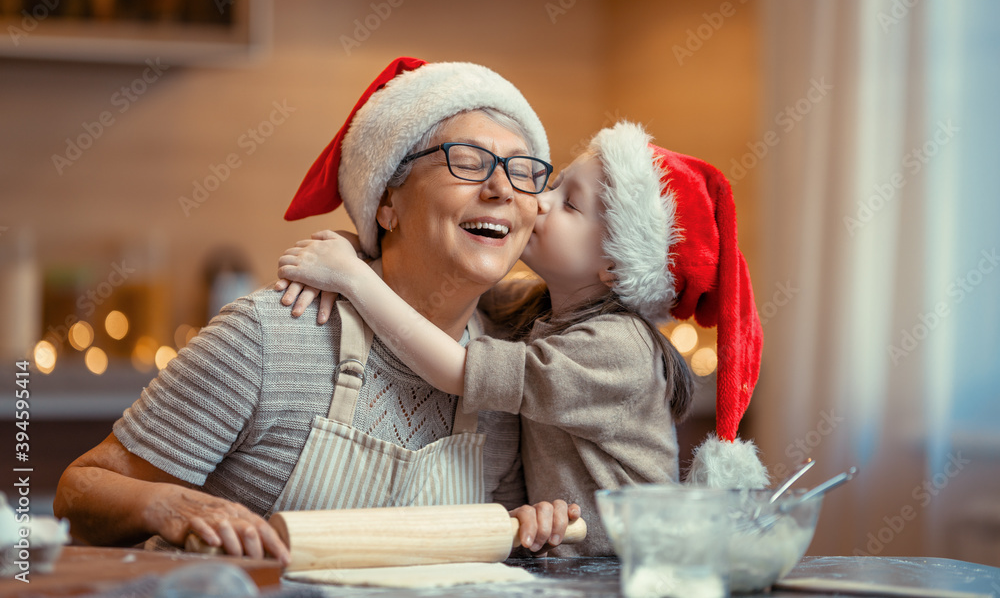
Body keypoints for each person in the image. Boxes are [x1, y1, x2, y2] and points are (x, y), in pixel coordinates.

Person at [54, 57, 579, 562]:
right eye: (467, 162)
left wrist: (530, 525)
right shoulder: (270, 338)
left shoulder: (506, 375)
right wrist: (167, 505)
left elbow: (490, 548)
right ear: (385, 203)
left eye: (524, 171)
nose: (501, 189)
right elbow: (81, 492)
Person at [275, 121, 770, 556]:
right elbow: (437, 286)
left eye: (569, 203)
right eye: (552, 186)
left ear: (616, 266)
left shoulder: (619, 349)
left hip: (628, 571)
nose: (538, 202)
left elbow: (459, 371)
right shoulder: (540, 309)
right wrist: (361, 246)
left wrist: (355, 280)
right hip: (568, 564)